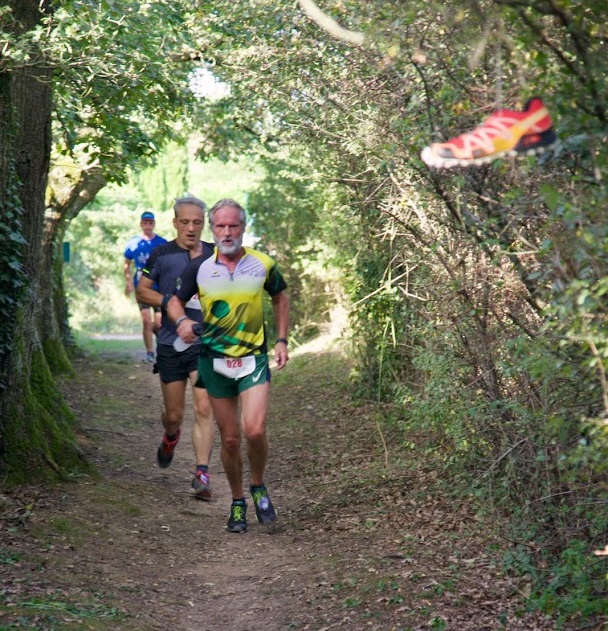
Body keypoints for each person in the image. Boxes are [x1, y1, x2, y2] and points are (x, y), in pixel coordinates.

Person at [167, 198, 290, 533]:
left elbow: (280, 297)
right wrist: (181, 323)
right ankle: (237, 503)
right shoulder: (200, 268)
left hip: (253, 359)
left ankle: (258, 485)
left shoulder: (262, 264)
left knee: (255, 431)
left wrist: (281, 340)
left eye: (233, 225)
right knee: (231, 439)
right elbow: (175, 300)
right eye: (220, 226)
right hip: (214, 362)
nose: (227, 232)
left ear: (243, 227)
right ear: (212, 229)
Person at [135, 197, 216, 500]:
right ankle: (170, 437)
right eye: (185, 222)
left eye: (197, 222)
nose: (191, 227)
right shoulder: (162, 253)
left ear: (204, 223)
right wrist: (170, 300)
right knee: (174, 415)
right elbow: (143, 290)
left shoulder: (214, 254)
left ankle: (202, 473)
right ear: (175, 223)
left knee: (205, 407)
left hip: (204, 343)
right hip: (170, 343)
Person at [123, 211, 167, 362]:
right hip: (141, 286)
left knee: (159, 322)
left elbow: (169, 265)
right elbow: (126, 264)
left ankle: (160, 342)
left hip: (158, 286)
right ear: (141, 224)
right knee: (146, 320)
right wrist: (128, 283)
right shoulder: (133, 243)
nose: (148, 226)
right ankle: (150, 352)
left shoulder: (162, 243)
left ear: (154, 224)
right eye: (145, 223)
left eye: (150, 223)